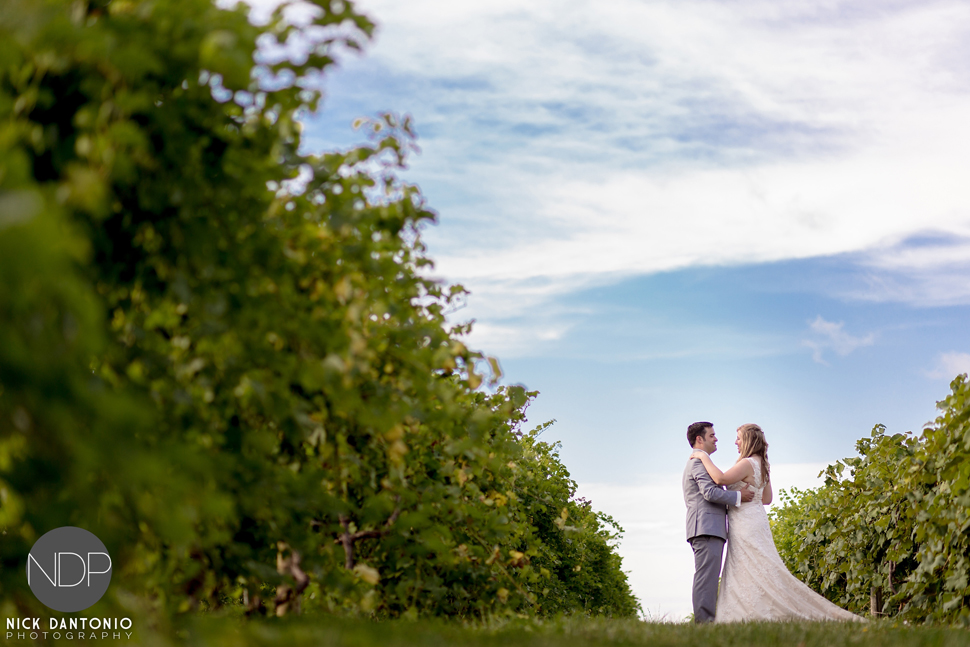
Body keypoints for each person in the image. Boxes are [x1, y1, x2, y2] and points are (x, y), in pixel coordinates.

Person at [690, 423, 864, 622]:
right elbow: (766, 499)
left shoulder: (747, 463)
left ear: (747, 440)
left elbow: (720, 479)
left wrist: (702, 456)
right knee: (759, 564)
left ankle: (748, 610)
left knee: (748, 565)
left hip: (745, 522)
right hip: (757, 518)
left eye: (738, 438)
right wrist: (745, 494)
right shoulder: (762, 464)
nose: (735, 442)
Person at [682, 422, 755, 623]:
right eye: (712, 435)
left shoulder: (701, 462)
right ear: (700, 439)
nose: (716, 439)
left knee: (709, 577)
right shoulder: (697, 463)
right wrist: (738, 495)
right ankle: (704, 622)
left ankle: (707, 620)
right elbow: (709, 492)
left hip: (709, 527)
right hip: (705, 527)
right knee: (706, 578)